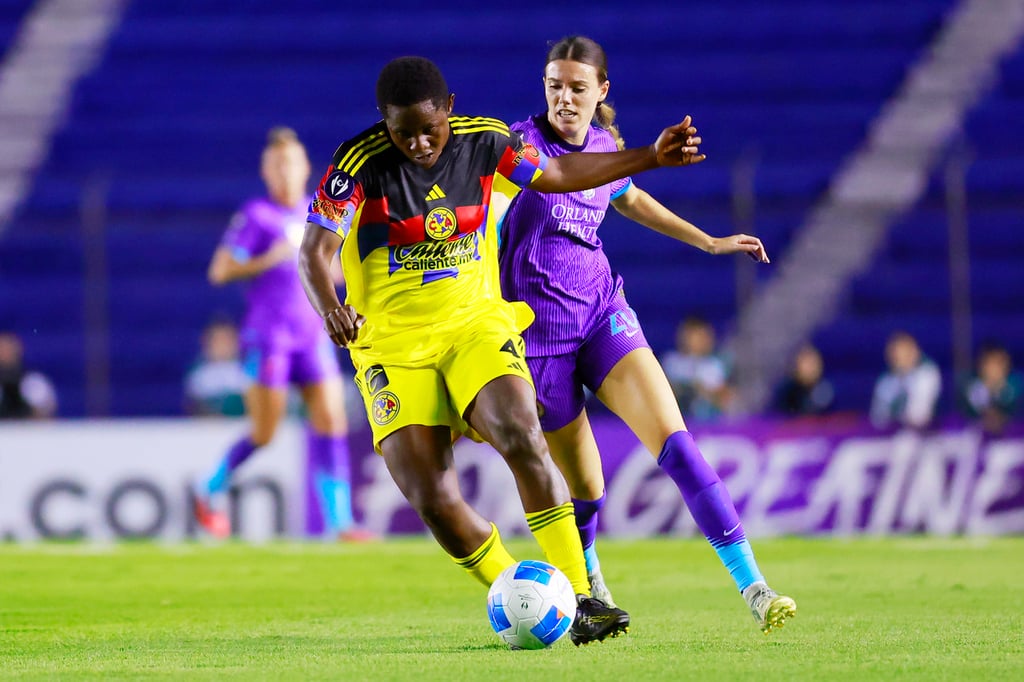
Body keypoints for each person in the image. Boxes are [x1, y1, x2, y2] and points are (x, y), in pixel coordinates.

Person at [299, 56, 703, 645]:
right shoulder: (357, 163)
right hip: (391, 348)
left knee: (520, 431)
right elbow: (313, 252)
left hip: (475, 326)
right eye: (403, 132)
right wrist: (330, 307)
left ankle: (578, 597)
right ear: (384, 121)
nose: (418, 143)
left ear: (450, 108)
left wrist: (647, 157)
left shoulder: (487, 142)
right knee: (430, 495)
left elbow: (556, 174)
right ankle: (521, 592)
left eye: (429, 128)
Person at [498, 36, 795, 634]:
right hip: (538, 340)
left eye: (577, 88)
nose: (564, 98)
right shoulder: (516, 148)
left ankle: (756, 588)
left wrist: (708, 241)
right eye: (554, 86)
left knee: (678, 445)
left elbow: (628, 197)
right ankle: (588, 583)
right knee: (587, 490)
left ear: (601, 91)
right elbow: (532, 191)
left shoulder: (606, 145)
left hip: (600, 314)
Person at [193, 127, 368, 542]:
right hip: (269, 338)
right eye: (276, 165)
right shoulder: (257, 216)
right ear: (266, 172)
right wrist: (270, 258)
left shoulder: (317, 212)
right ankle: (209, 488)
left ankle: (340, 523)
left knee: (331, 421)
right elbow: (220, 270)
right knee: (265, 432)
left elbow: (333, 270)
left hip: (312, 336)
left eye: (290, 163)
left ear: (305, 168)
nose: (284, 171)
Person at [660, 316, 735, 421]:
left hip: (708, 421)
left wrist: (705, 391)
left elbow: (726, 399)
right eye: (690, 336)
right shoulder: (671, 362)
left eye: (699, 336)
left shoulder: (713, 365)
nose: (693, 341)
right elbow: (660, 394)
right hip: (677, 419)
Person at [870, 330, 941, 430]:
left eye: (904, 354)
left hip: (924, 432)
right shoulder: (887, 378)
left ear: (914, 352)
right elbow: (878, 415)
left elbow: (919, 416)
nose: (898, 360)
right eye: (894, 356)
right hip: (889, 431)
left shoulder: (927, 372)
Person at [184, 318, 249, 417]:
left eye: (227, 340)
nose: (223, 346)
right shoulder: (199, 374)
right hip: (211, 424)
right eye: (218, 341)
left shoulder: (249, 371)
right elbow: (194, 407)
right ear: (207, 344)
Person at [958, 342, 1021, 435]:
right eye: (994, 363)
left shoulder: (1016, 389)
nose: (998, 368)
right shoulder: (970, 390)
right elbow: (964, 418)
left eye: (1002, 363)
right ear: (982, 366)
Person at [0, 331, 57, 419]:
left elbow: (48, 415)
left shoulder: (34, 382)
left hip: (28, 426)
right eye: (2, 351)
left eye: (8, 350)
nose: (5, 355)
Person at [772, 343, 834, 416]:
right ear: (797, 365)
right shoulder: (786, 390)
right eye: (807, 364)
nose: (811, 368)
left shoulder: (825, 388)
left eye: (814, 363)